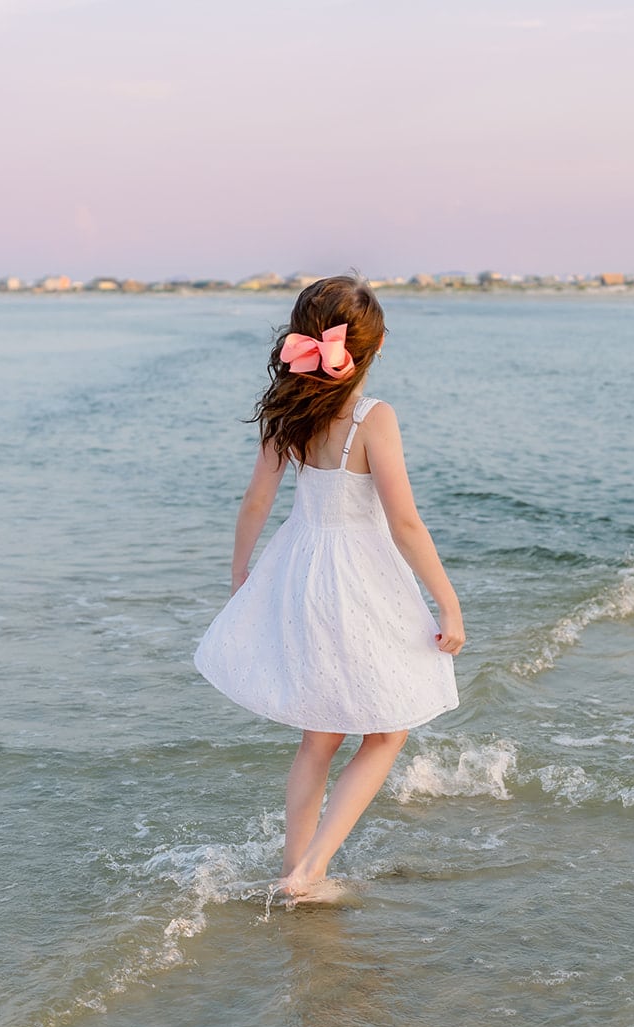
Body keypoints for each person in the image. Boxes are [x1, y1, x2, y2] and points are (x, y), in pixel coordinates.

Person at [194, 274, 465, 902]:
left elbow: (257, 499)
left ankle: (291, 867)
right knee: (388, 730)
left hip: (299, 571)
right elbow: (403, 522)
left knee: (319, 735)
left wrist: (241, 574)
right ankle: (312, 868)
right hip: (359, 579)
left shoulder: (288, 412)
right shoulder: (374, 418)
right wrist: (448, 602)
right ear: (369, 350)